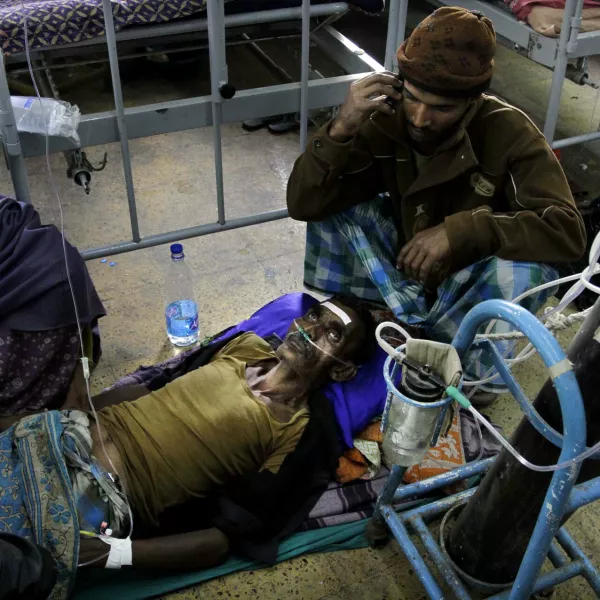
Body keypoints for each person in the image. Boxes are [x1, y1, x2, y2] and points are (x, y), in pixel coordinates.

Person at [286, 7, 586, 398]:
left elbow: (568, 232)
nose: (421, 118)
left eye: (441, 108)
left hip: (466, 281)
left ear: (474, 101)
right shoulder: (383, 117)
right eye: (412, 98)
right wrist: (340, 128)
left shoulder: (509, 132)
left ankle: (466, 377)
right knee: (333, 201)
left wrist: (461, 232)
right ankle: (369, 314)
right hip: (408, 264)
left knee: (524, 273)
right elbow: (303, 203)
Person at [0, 297, 376, 583]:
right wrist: (76, 410)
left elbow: (221, 541)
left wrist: (112, 555)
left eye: (332, 333)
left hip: (92, 496)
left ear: (342, 370)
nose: (309, 330)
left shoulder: (296, 429)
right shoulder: (244, 347)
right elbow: (159, 384)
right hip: (59, 437)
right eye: (313, 315)